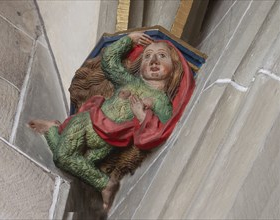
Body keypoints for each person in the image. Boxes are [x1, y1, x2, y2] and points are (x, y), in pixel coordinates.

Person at [28, 32, 189, 210]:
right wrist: (129, 39)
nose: (153, 60)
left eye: (162, 56)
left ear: (173, 67)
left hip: (109, 141)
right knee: (62, 158)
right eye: (148, 56)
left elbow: (162, 129)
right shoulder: (129, 81)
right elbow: (109, 63)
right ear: (141, 64)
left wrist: (142, 116)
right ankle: (105, 184)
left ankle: (52, 129)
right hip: (87, 123)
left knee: (80, 164)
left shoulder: (161, 101)